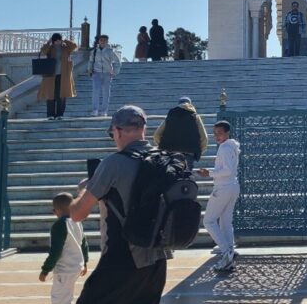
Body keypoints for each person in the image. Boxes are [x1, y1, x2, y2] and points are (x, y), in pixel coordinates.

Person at [70, 105, 171, 304]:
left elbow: (77, 214)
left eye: (112, 133)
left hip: (122, 258)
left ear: (117, 131)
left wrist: (84, 189)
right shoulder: (163, 159)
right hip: (157, 260)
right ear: (144, 129)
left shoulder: (113, 163)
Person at [196, 120, 241, 272]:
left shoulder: (224, 147)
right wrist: (212, 172)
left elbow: (226, 170)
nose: (217, 136)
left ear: (227, 132)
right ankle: (230, 252)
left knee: (208, 221)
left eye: (220, 133)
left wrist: (210, 173)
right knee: (226, 222)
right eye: (215, 133)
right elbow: (228, 170)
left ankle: (226, 251)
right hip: (232, 186)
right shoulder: (232, 146)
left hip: (223, 188)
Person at [40, 192, 89, 304]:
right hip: (77, 266)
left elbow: (55, 251)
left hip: (65, 269)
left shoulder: (59, 225)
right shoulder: (77, 221)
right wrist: (85, 262)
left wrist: (45, 269)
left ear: (55, 211)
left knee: (60, 299)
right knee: (67, 296)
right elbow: (84, 244)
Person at [153, 97, 208, 169]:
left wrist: (164, 147)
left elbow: (156, 135)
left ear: (178, 104)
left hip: (171, 154)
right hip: (188, 154)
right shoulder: (195, 117)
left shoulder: (171, 116)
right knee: (186, 178)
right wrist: (198, 150)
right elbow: (204, 137)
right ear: (190, 105)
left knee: (171, 177)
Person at [38, 33, 78, 120]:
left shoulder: (65, 48)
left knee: (62, 95)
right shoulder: (50, 48)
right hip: (50, 75)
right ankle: (50, 115)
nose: (57, 42)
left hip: (63, 75)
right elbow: (43, 51)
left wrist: (65, 40)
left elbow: (74, 46)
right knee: (50, 95)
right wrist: (48, 42)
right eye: (55, 40)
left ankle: (60, 114)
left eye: (59, 40)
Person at [90, 35, 121, 117]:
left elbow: (118, 62)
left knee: (106, 93)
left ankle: (104, 111)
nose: (102, 42)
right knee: (95, 91)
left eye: (104, 40)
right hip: (96, 72)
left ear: (107, 42)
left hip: (107, 73)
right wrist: (90, 70)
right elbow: (90, 61)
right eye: (101, 40)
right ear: (99, 41)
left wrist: (115, 72)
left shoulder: (110, 51)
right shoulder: (94, 51)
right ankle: (95, 110)